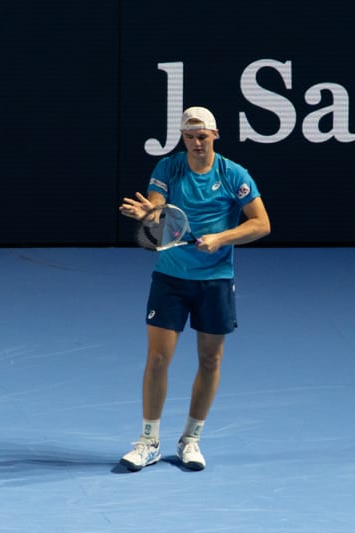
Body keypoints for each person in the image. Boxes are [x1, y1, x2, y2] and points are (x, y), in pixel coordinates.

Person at [118, 106, 271, 471]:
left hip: (215, 280)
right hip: (171, 277)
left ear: (215, 135)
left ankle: (190, 439)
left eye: (203, 136)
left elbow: (261, 224)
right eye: (190, 137)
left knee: (210, 359)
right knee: (157, 359)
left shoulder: (234, 175)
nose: (197, 143)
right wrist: (150, 215)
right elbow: (157, 207)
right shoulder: (168, 168)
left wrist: (222, 238)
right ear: (183, 137)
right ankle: (149, 441)